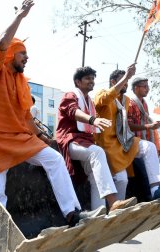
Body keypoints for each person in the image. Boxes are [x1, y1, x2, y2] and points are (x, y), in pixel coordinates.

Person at [0, 0, 105, 227]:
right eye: (22, 53)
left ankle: (73, 214)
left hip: (20, 137)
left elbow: (26, 118)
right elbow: (1, 44)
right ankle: (0, 236)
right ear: (10, 54)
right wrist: (20, 17)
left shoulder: (22, 83)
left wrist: (45, 139)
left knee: (54, 159)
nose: (26, 57)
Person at [56, 66, 137, 211]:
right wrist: (93, 120)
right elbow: (73, 112)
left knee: (94, 175)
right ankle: (113, 202)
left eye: (93, 79)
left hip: (86, 142)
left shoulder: (89, 101)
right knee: (97, 152)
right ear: (77, 82)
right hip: (71, 140)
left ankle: (97, 212)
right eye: (87, 78)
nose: (91, 81)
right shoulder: (70, 95)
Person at [94, 68, 160, 201]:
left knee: (149, 147)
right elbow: (105, 99)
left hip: (124, 141)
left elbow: (125, 125)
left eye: (127, 81)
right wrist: (126, 76)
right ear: (112, 82)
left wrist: (150, 126)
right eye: (123, 80)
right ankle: (118, 208)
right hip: (108, 144)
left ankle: (155, 190)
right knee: (122, 179)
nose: (126, 84)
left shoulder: (127, 100)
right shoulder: (102, 93)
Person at [128, 77, 160, 151]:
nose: (147, 89)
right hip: (134, 142)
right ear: (136, 88)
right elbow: (129, 126)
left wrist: (153, 125)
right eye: (144, 86)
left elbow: (147, 123)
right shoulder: (130, 103)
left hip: (145, 141)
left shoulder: (144, 104)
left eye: (148, 86)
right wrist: (149, 126)